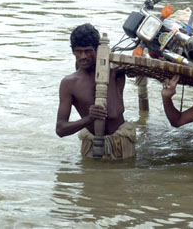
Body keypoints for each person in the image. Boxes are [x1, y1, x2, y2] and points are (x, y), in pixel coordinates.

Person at [56, 24, 135, 159]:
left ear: (98, 51)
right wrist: (89, 119)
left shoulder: (116, 72)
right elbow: (60, 129)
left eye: (88, 51)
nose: (83, 56)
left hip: (121, 140)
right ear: (73, 52)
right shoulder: (69, 83)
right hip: (91, 144)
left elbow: (112, 112)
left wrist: (111, 74)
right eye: (78, 51)